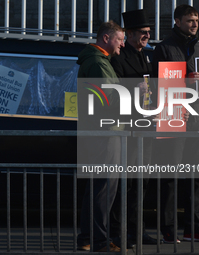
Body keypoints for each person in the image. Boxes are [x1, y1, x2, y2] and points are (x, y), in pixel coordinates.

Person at [152, 4, 199, 243]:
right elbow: (159, 86)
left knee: (195, 176)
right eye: (190, 20)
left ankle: (193, 227)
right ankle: (168, 228)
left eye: (197, 20)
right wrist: (186, 85)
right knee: (170, 176)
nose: (195, 24)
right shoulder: (164, 48)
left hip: (198, 120)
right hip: (174, 119)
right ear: (177, 22)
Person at [110, 9, 158, 246]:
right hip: (128, 128)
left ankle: (138, 230)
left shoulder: (145, 56)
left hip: (146, 127)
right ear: (129, 34)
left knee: (142, 181)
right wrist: (132, 90)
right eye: (143, 32)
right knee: (125, 183)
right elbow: (111, 93)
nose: (147, 36)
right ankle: (120, 232)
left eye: (149, 32)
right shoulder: (118, 57)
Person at [76, 20, 125, 252]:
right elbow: (108, 101)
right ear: (106, 38)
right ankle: (98, 240)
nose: (122, 45)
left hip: (101, 131)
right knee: (104, 188)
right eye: (120, 39)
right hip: (105, 132)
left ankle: (88, 238)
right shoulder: (98, 63)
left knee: (98, 187)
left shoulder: (99, 61)